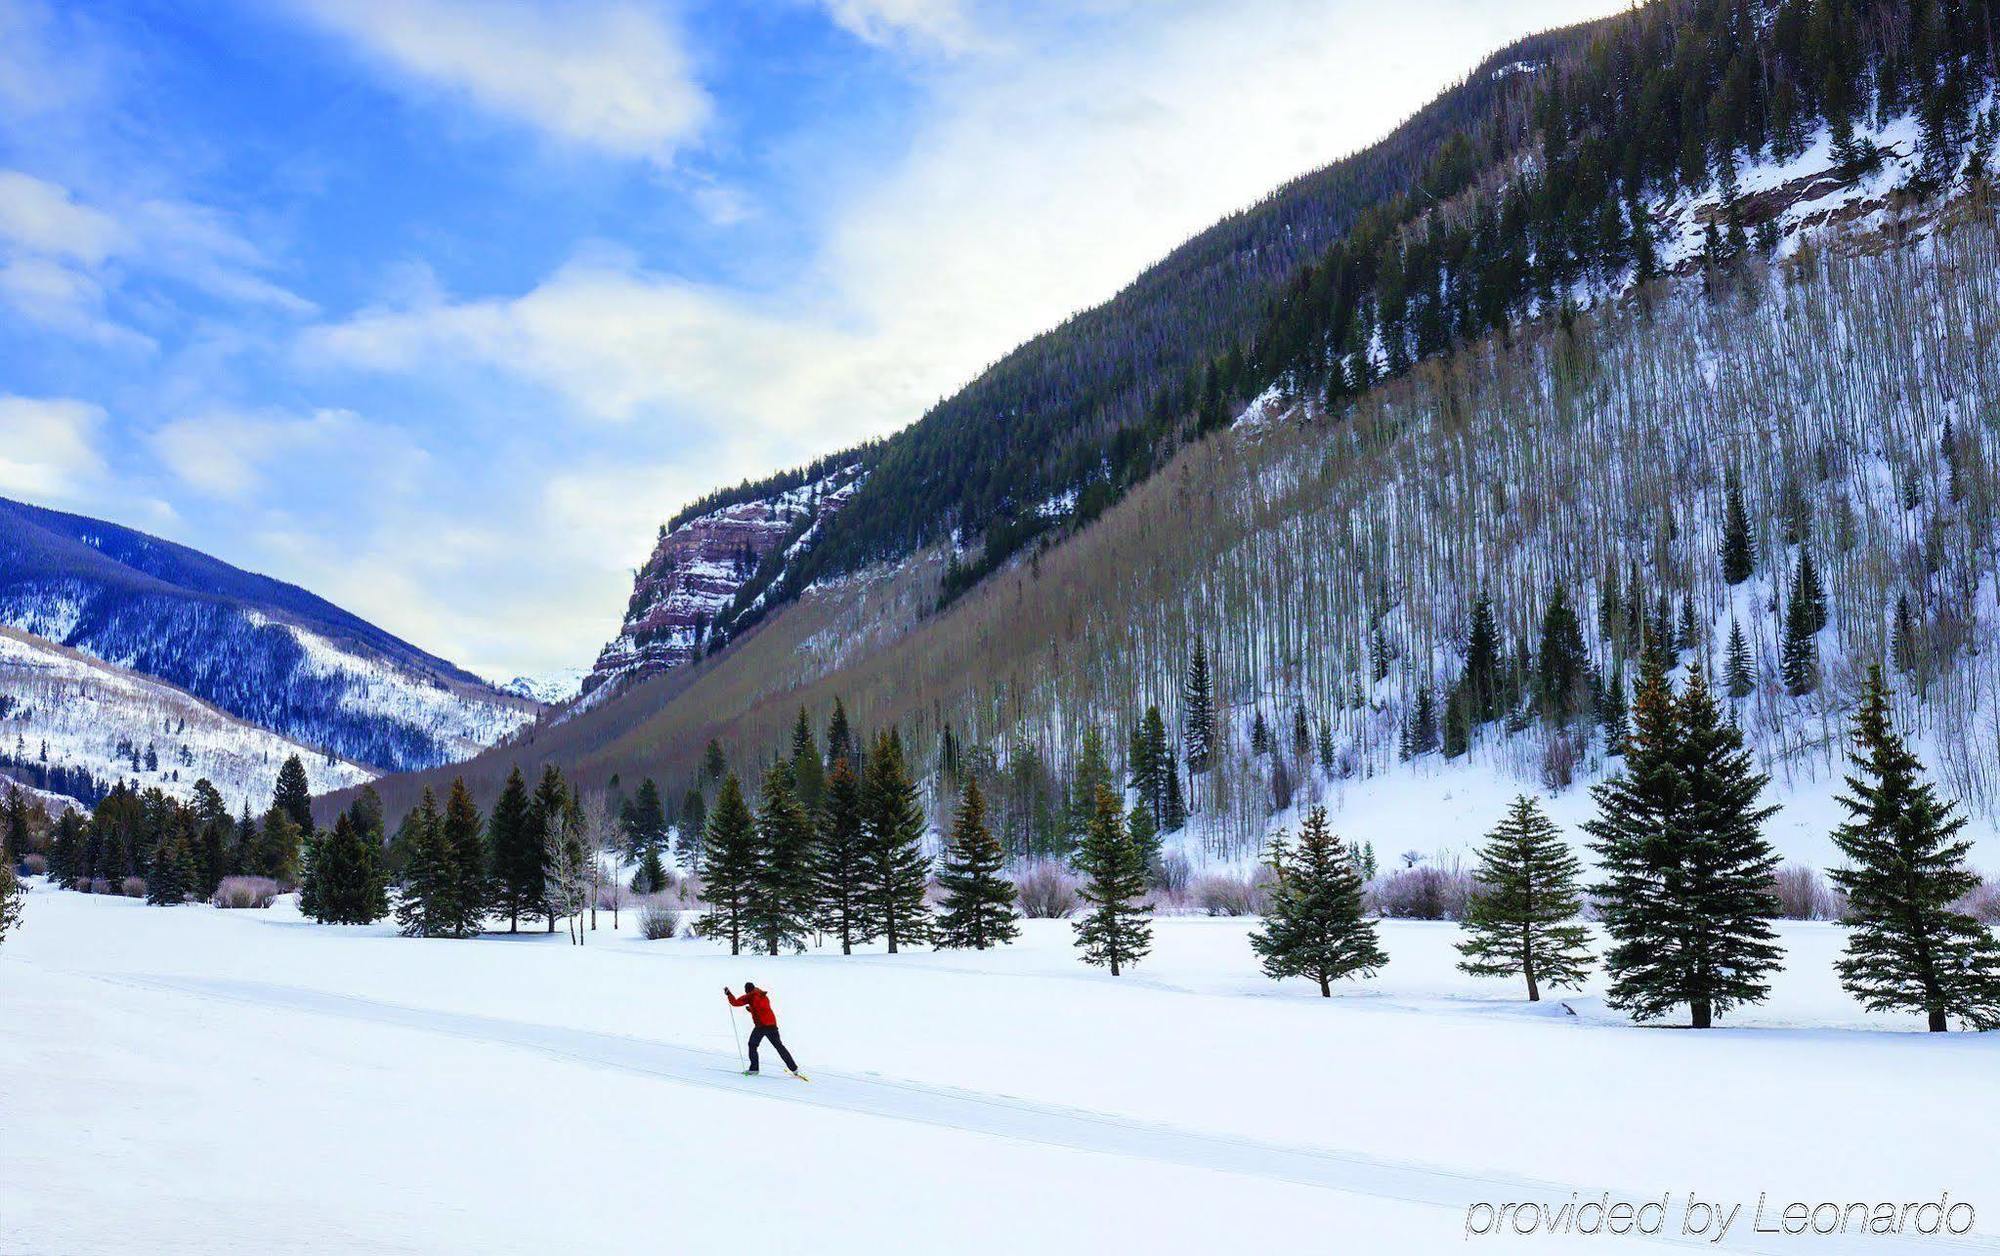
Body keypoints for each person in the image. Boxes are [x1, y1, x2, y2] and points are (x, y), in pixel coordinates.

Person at [725, 982, 802, 1077]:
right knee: (779, 1046)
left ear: (747, 990)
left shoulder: (750, 996)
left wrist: (729, 994)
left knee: (752, 1045)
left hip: (761, 1026)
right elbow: (762, 1008)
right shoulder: (762, 995)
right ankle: (794, 1069)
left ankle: (754, 1069)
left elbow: (735, 1003)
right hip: (772, 1024)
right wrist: (752, 1009)